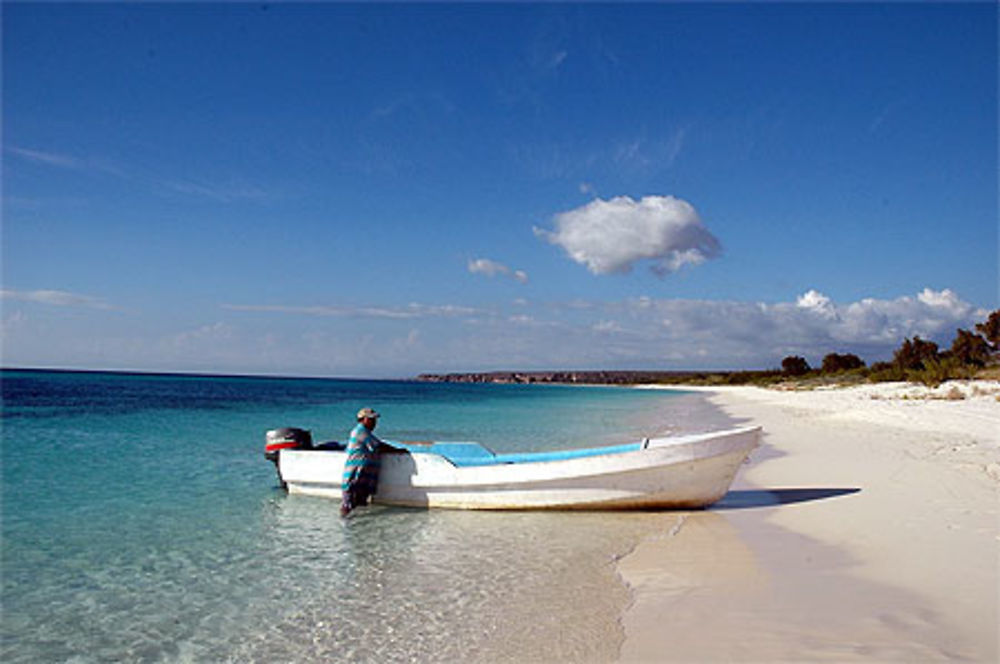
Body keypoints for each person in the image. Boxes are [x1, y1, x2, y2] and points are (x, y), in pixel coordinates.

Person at [340, 407, 386, 517]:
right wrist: (398, 450)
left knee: (360, 505)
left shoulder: (365, 432)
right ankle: (345, 528)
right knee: (348, 504)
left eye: (374, 420)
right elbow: (378, 446)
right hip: (355, 475)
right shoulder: (360, 431)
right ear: (363, 419)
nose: (374, 423)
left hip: (362, 476)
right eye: (371, 420)